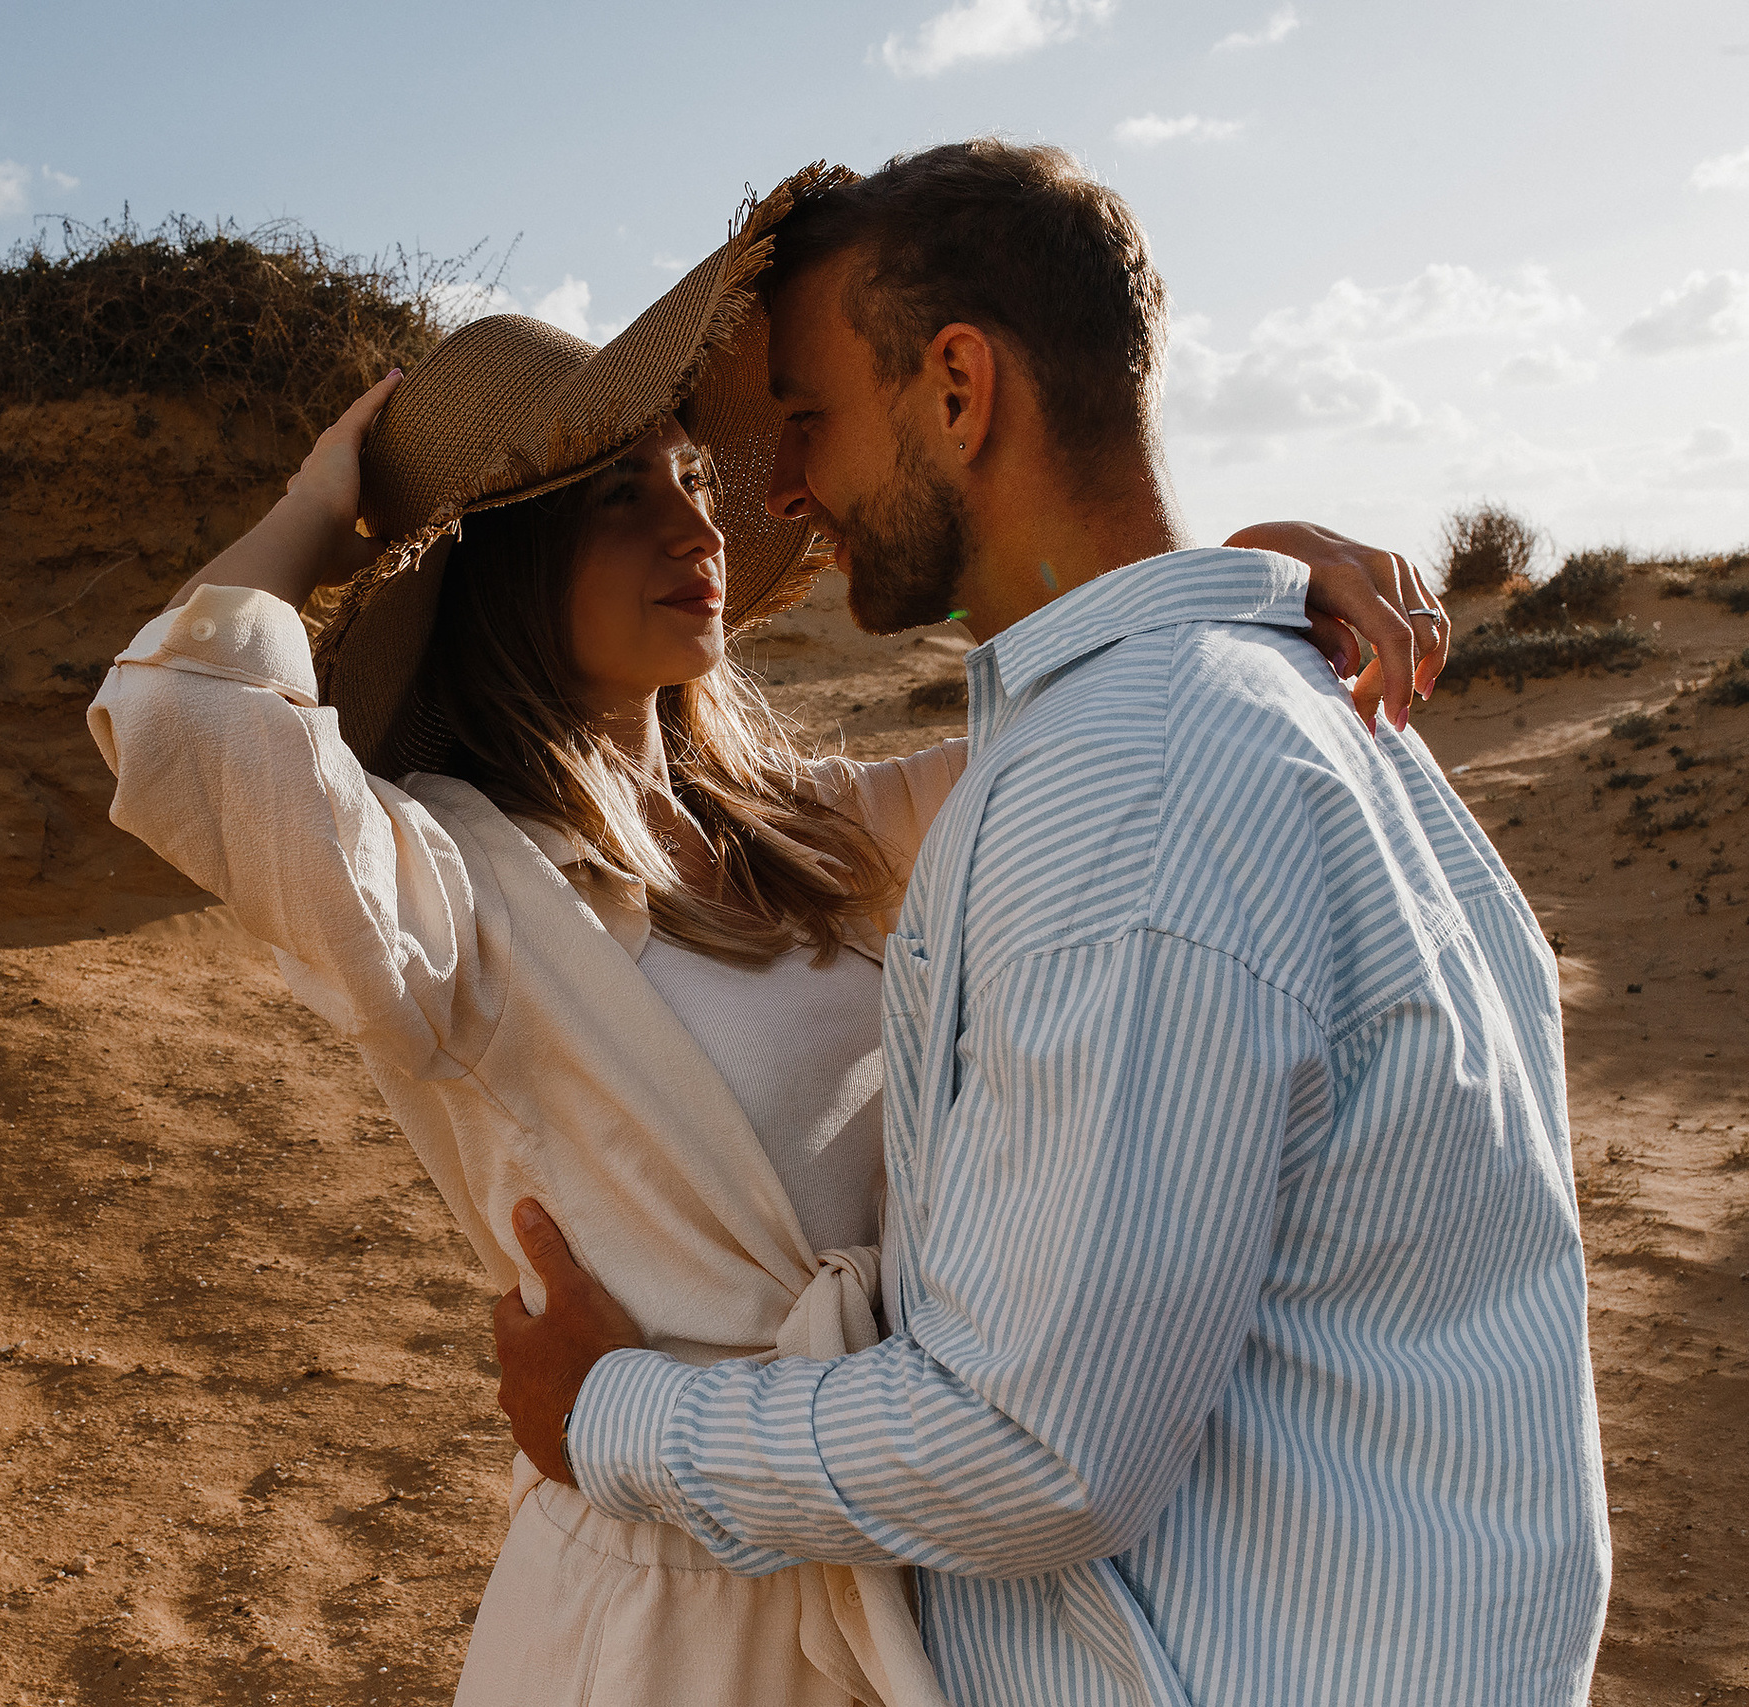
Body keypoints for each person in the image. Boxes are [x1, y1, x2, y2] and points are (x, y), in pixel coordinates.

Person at [89, 165, 1450, 1706]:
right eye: (622, 496)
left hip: (885, 1546)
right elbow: (182, 728)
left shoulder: (811, 829)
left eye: (693, 475)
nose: (700, 521)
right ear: (506, 572)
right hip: (657, 1615)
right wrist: (322, 510)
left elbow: (1094, 713)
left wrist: (1266, 566)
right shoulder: (448, 886)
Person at [492, 143, 1609, 1705]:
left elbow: (1032, 1445)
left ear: (958, 387)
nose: (789, 493)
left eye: (805, 418)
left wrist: (608, 1416)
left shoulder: (1124, 787)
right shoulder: (1275, 711)